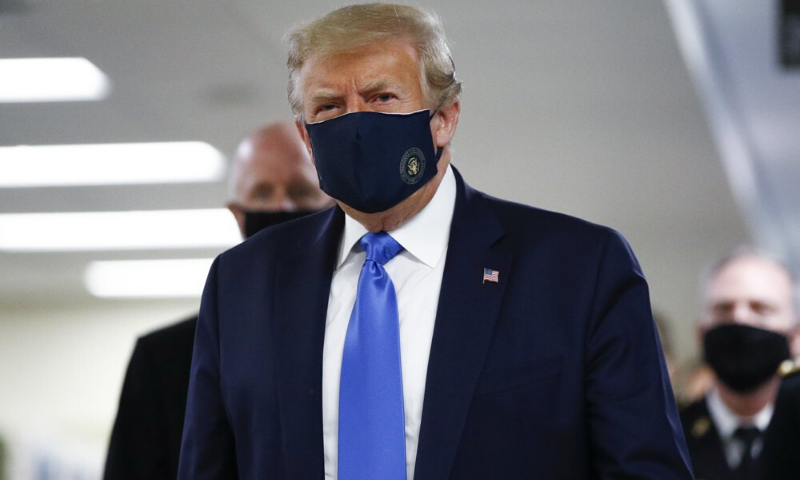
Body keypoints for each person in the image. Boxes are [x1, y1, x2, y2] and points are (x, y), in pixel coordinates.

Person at [178, 4, 693, 479]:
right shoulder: (243, 282)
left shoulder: (577, 270)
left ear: (443, 119)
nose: (356, 124)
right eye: (331, 107)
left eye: (382, 97)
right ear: (308, 137)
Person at [102, 121, 332, 480]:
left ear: (334, 206)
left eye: (301, 192)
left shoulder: (363, 334)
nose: (282, 205)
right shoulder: (165, 359)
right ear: (237, 214)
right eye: (262, 193)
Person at [679, 249, 799, 480]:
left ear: (796, 335)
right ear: (701, 333)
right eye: (724, 309)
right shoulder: (668, 436)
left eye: (761, 309)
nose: (740, 319)